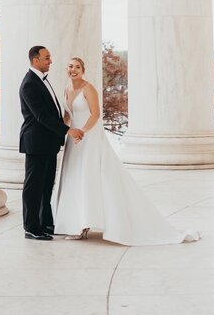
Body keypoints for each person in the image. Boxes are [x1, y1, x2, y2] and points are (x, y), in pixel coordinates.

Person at [52, 56, 200, 245]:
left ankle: (84, 224)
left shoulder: (88, 88)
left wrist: (83, 131)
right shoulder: (67, 88)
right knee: (73, 176)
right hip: (74, 138)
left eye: (77, 67)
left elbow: (96, 114)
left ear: (83, 70)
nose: (73, 70)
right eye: (70, 66)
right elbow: (67, 115)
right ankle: (74, 221)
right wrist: (62, 131)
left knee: (87, 176)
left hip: (89, 137)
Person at [18, 45, 79, 240]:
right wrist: (68, 130)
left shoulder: (41, 80)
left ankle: (45, 223)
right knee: (33, 187)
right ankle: (31, 228)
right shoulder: (29, 83)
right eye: (47, 57)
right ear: (35, 60)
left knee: (45, 186)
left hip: (48, 143)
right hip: (36, 143)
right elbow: (41, 116)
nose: (50, 61)